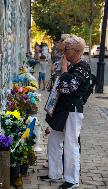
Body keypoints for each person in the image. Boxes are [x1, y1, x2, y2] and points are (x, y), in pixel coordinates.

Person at [41, 35, 90, 189]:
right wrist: (59, 73)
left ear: (76, 51)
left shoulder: (82, 67)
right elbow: (54, 87)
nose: (63, 53)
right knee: (54, 141)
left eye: (65, 50)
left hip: (72, 110)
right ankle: (54, 173)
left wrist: (63, 71)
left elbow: (67, 88)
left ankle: (72, 179)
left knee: (71, 144)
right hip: (61, 110)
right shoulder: (69, 64)